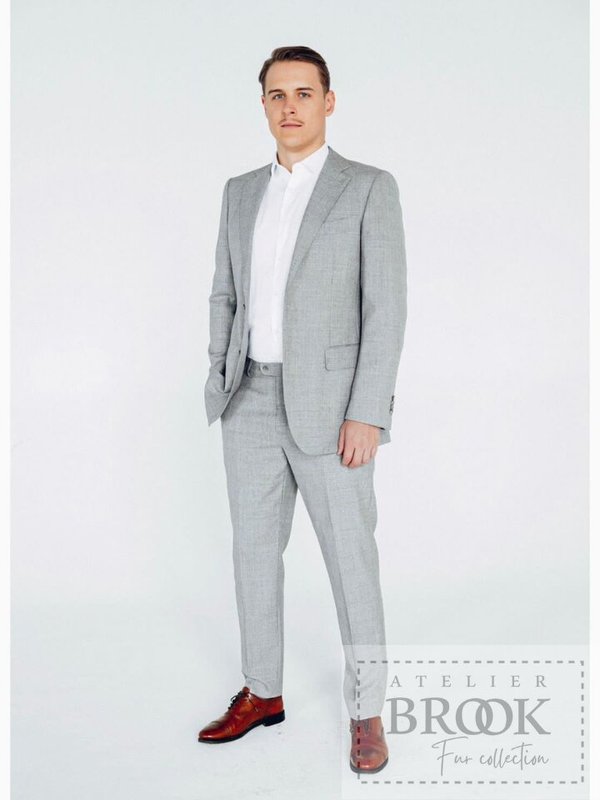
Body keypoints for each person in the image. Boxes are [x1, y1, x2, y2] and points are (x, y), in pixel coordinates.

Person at [197, 45, 407, 774]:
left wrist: (368, 411)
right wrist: (221, 373)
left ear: (328, 101)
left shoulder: (367, 188)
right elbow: (224, 292)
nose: (290, 106)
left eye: (304, 93)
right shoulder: (239, 192)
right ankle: (263, 692)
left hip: (333, 408)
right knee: (254, 554)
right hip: (248, 400)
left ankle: (366, 710)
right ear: (263, 105)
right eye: (277, 94)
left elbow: (386, 308)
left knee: (351, 559)